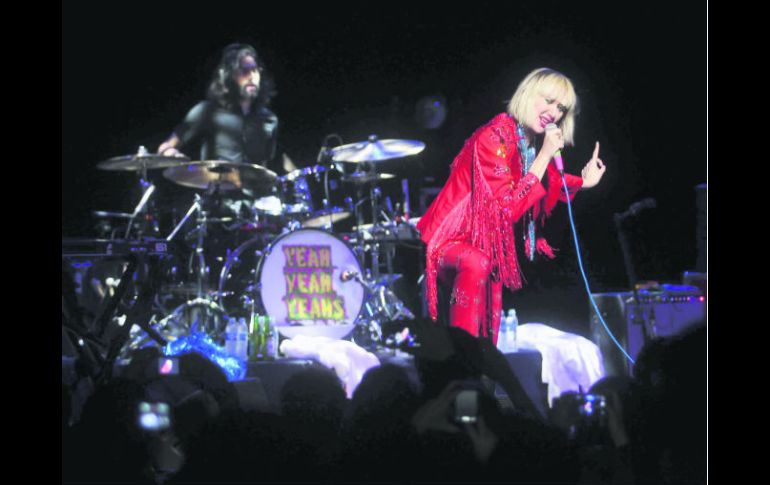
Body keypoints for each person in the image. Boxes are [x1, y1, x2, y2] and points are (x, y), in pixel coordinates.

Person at [416, 67, 607, 344]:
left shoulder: (527, 144)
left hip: (483, 245)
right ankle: (463, 358)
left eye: (561, 108)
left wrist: (583, 182)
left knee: (488, 315)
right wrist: (545, 155)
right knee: (478, 262)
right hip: (448, 240)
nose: (553, 113)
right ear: (528, 95)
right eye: (548, 101)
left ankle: (480, 366)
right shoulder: (494, 138)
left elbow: (550, 181)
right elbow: (509, 209)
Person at [157, 42, 295, 175]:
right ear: (228, 76)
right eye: (244, 71)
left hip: (257, 195)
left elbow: (267, 166)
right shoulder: (206, 111)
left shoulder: (269, 119)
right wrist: (173, 153)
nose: (251, 76)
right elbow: (166, 147)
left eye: (254, 70)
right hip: (219, 193)